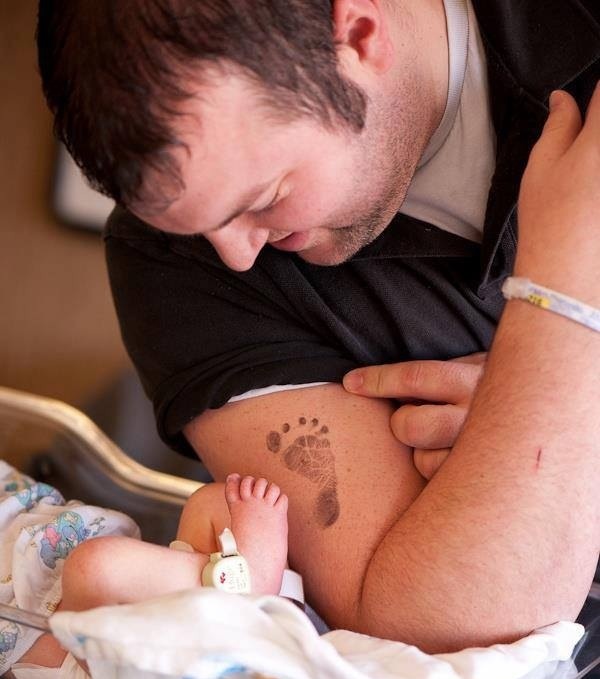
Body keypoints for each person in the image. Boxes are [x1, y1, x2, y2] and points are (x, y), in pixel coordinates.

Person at [36, 0, 600, 653]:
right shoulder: (172, 269)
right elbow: (430, 630)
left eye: (267, 197)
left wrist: (532, 426)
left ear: (359, 33)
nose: (238, 258)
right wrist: (556, 346)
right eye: (199, 225)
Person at [12, 474, 290, 676]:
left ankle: (234, 585)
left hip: (85, 561)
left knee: (211, 501)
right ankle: (244, 584)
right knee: (95, 567)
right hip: (78, 649)